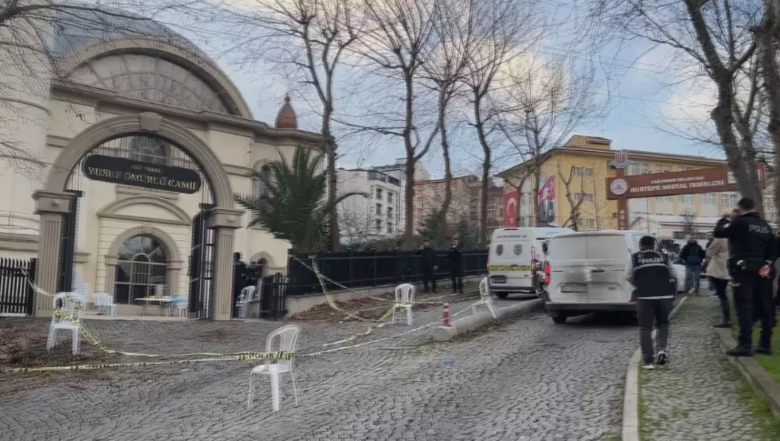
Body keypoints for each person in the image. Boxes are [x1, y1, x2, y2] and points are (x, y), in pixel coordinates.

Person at [714, 198, 776, 356]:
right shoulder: (765, 225)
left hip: (743, 269)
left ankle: (745, 344)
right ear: (754, 207)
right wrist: (768, 264)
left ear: (739, 209)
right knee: (766, 306)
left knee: (744, 306)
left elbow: (719, 232)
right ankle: (765, 344)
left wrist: (728, 218)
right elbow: (773, 247)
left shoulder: (739, 223)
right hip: (764, 270)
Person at [624, 235, 675, 370]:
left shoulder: (635, 258)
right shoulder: (663, 256)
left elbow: (627, 276)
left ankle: (648, 361)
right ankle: (662, 350)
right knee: (663, 323)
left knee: (645, 328)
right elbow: (673, 273)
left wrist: (638, 283)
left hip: (645, 297)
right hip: (665, 296)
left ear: (640, 245)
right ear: (653, 245)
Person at [704, 231, 731, 328]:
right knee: (724, 295)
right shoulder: (731, 239)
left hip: (719, 271)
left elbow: (709, 253)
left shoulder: (719, 240)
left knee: (722, 296)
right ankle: (727, 317)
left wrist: (710, 243)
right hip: (727, 269)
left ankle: (726, 319)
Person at [232, 252, 248, 317]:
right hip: (239, 284)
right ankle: (234, 313)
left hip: (231, 283)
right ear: (239, 257)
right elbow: (246, 274)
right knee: (236, 299)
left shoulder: (231, 263)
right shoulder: (242, 264)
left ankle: (231, 312)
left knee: (231, 299)